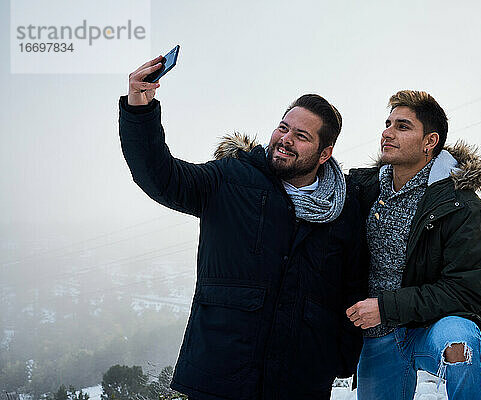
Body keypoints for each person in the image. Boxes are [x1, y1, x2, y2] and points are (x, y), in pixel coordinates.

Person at [118, 56, 367, 399]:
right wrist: (139, 110)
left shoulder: (344, 209)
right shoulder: (230, 179)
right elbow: (160, 176)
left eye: (301, 136)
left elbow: (352, 287)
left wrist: (339, 360)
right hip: (221, 375)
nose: (285, 139)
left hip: (301, 383)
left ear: (325, 154)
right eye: (283, 127)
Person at [346, 90, 481, 400]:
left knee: (462, 346)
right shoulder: (363, 189)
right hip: (378, 333)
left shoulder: (463, 206)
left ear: (429, 141)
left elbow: (464, 291)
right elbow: (311, 184)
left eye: (402, 126)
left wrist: (387, 307)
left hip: (435, 325)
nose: (387, 132)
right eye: (388, 123)